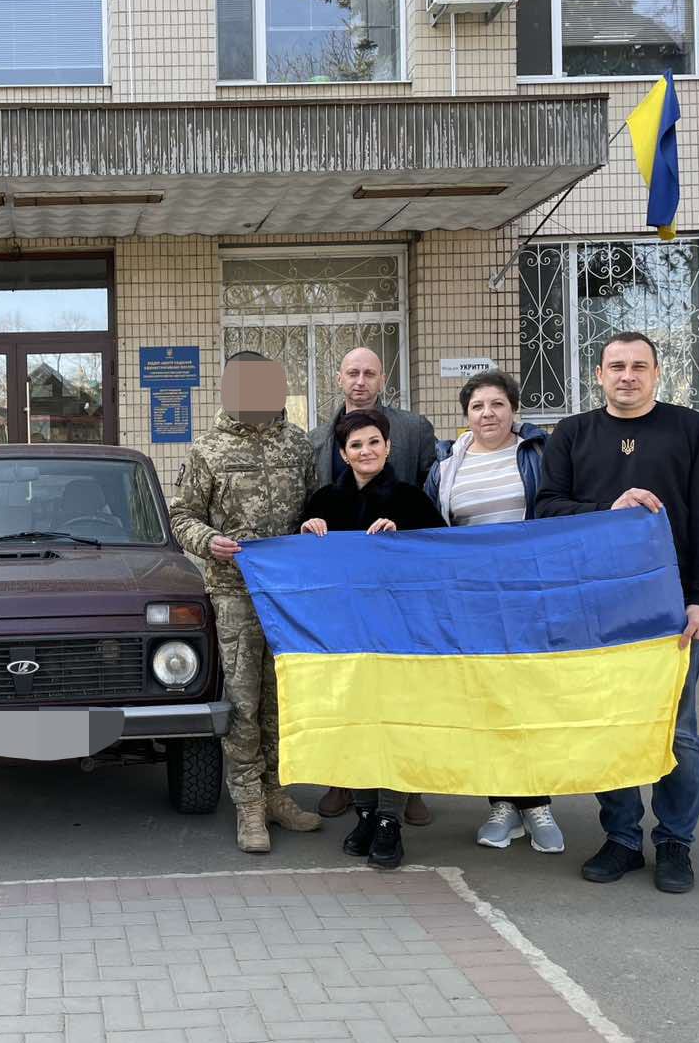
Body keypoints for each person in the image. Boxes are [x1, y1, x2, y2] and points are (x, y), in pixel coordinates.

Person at [535, 332, 699, 895]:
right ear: (598, 374)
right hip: (595, 605)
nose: (627, 375)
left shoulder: (690, 429)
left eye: (638, 366)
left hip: (670, 607)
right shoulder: (573, 433)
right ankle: (621, 836)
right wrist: (607, 510)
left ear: (656, 373)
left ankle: (674, 841)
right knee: (609, 723)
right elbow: (546, 509)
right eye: (616, 366)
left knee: (678, 730)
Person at [169, 352, 322, 854]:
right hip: (234, 593)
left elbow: (317, 507)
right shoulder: (208, 449)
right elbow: (182, 516)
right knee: (243, 702)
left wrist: (314, 528)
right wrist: (207, 540)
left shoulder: (298, 445)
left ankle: (278, 791)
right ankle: (249, 803)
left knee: (282, 698)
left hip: (289, 594)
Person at [423, 370, 563, 854]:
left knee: (530, 699)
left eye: (498, 404)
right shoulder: (446, 467)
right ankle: (502, 806)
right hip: (473, 602)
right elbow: (427, 533)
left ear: (514, 410)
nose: (488, 414)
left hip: (529, 596)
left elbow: (561, 516)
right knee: (487, 700)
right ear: (466, 415)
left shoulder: (538, 456)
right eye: (478, 406)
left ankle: (538, 805)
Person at [299, 407, 445, 869]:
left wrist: (404, 536)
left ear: (388, 447)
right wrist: (306, 533)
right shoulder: (323, 500)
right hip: (343, 635)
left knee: (393, 723)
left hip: (399, 634)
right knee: (357, 722)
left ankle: (389, 820)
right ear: (343, 453)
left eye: (374, 443)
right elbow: (297, 565)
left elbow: (443, 554)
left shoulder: (410, 498)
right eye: (356, 445)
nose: (366, 451)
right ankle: (364, 813)